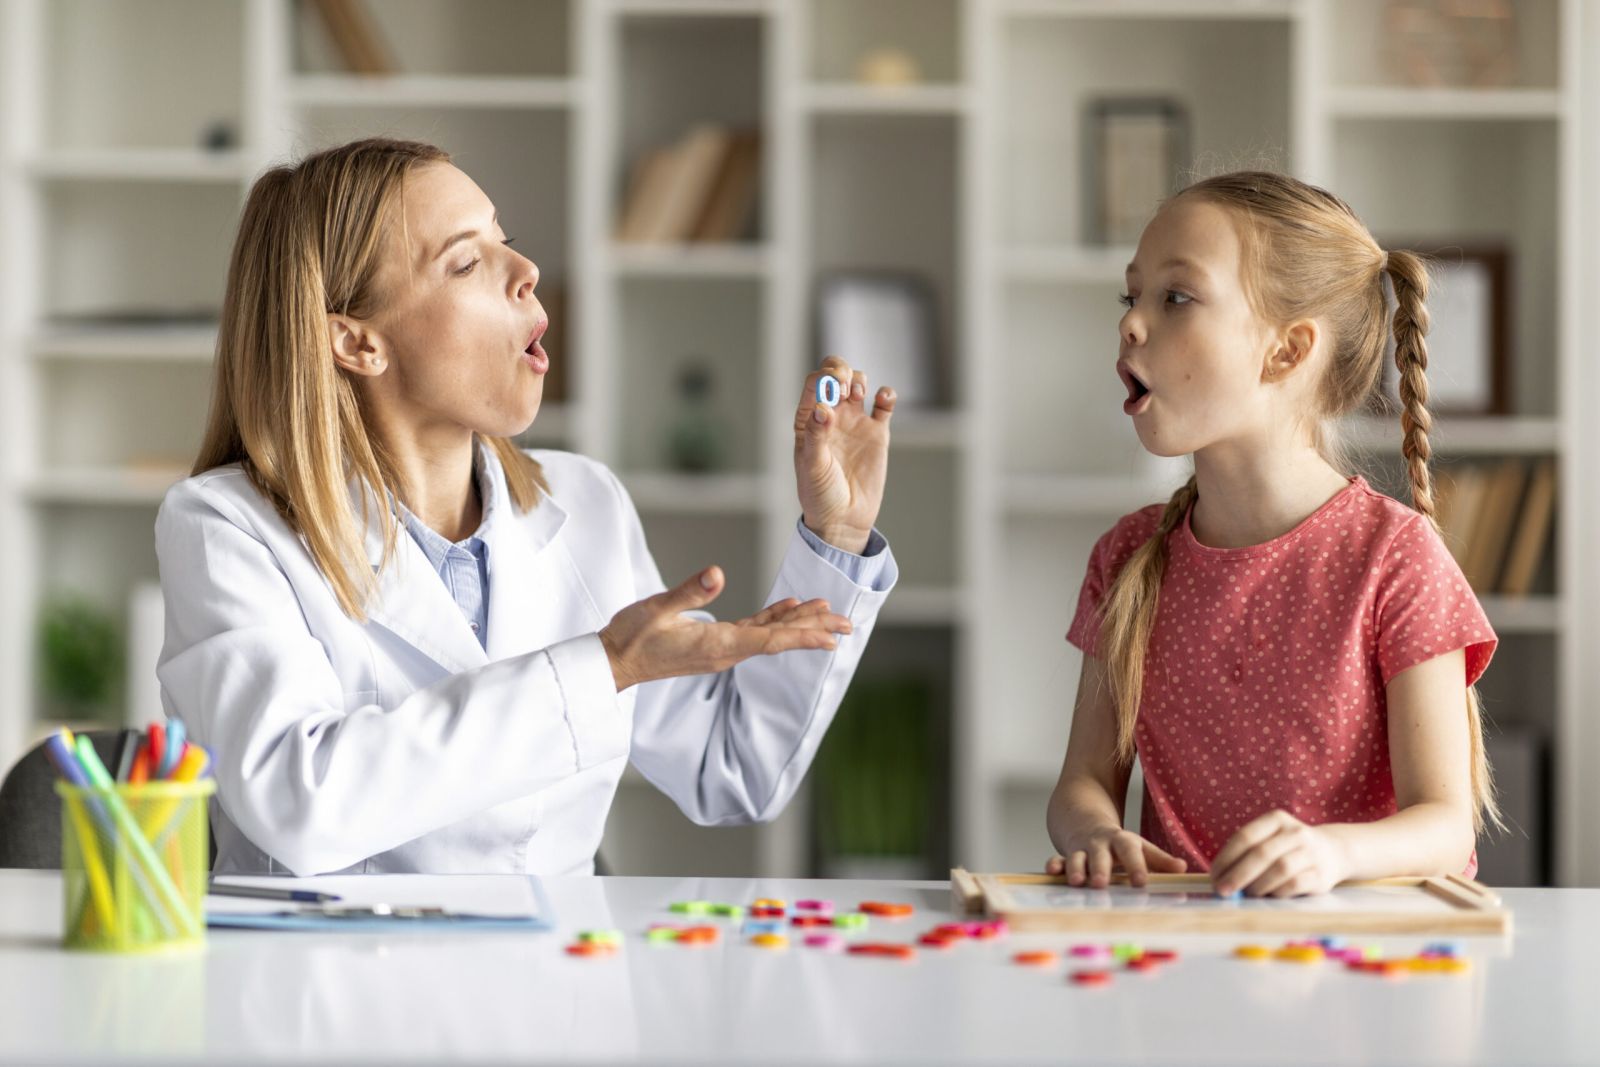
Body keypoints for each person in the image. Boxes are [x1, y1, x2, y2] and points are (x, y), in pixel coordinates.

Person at [156, 138, 900, 876]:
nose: (527, 270)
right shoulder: (227, 529)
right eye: (467, 261)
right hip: (333, 985)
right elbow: (303, 805)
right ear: (357, 342)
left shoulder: (586, 503)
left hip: (554, 985)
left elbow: (735, 764)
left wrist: (836, 536)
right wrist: (598, 668)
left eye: (502, 239)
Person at [1045, 171, 1498, 897]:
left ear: (1286, 352)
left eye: (1176, 297)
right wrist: (1094, 833)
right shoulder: (1127, 559)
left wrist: (1330, 855)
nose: (1131, 322)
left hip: (1369, 966)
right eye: (1132, 296)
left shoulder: (1396, 558)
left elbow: (1446, 825)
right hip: (1189, 963)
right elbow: (1082, 784)